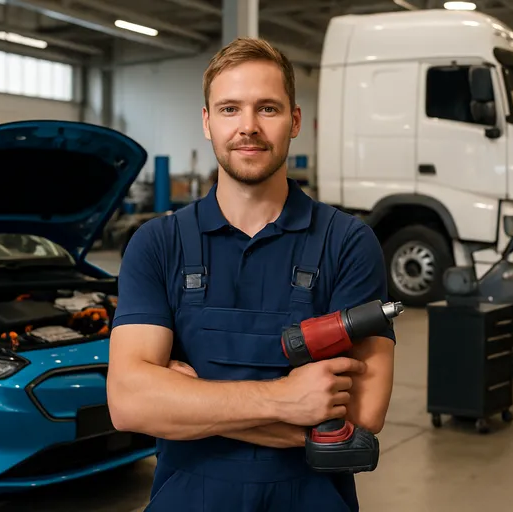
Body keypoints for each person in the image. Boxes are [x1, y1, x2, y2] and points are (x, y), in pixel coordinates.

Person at [106, 37, 396, 511]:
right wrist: (285, 399)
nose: (248, 127)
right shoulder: (158, 244)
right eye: (228, 109)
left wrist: (186, 399)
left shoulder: (348, 242)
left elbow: (362, 416)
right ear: (206, 122)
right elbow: (128, 404)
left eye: (267, 108)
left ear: (295, 121)